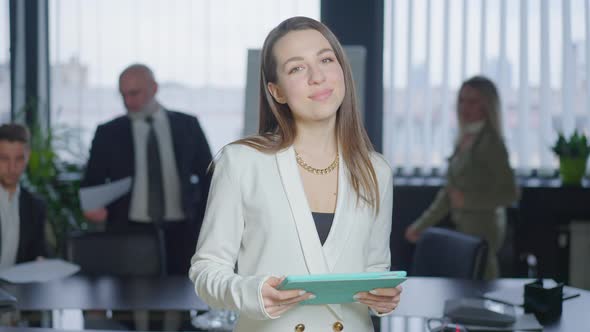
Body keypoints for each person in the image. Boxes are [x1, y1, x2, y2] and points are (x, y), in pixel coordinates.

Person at [189, 17, 401, 332]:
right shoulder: (242, 162)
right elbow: (206, 271)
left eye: (326, 60)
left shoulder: (376, 170)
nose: (317, 76)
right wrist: (253, 293)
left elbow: (375, 268)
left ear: (342, 71)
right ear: (277, 92)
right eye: (296, 68)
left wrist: (383, 298)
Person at [81, 63, 212, 276]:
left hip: (182, 230)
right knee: (126, 301)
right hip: (127, 231)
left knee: (180, 299)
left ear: (154, 88)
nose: (128, 101)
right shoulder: (108, 133)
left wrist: (203, 220)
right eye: (123, 95)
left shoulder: (187, 126)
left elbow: (209, 176)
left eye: (134, 93)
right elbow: (91, 182)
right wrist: (94, 207)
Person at [405, 76, 519, 280]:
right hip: (464, 229)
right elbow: (448, 195)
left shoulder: (491, 143)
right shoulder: (464, 139)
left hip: (484, 231)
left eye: (473, 101)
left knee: (483, 286)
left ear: (487, 106)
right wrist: (420, 226)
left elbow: (510, 194)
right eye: (462, 100)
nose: (465, 107)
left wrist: (467, 200)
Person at [0, 124, 47, 269]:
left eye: (19, 159)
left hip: (17, 290)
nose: (12, 168)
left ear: (28, 157)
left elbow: (38, 252)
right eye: (4, 159)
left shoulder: (35, 206)